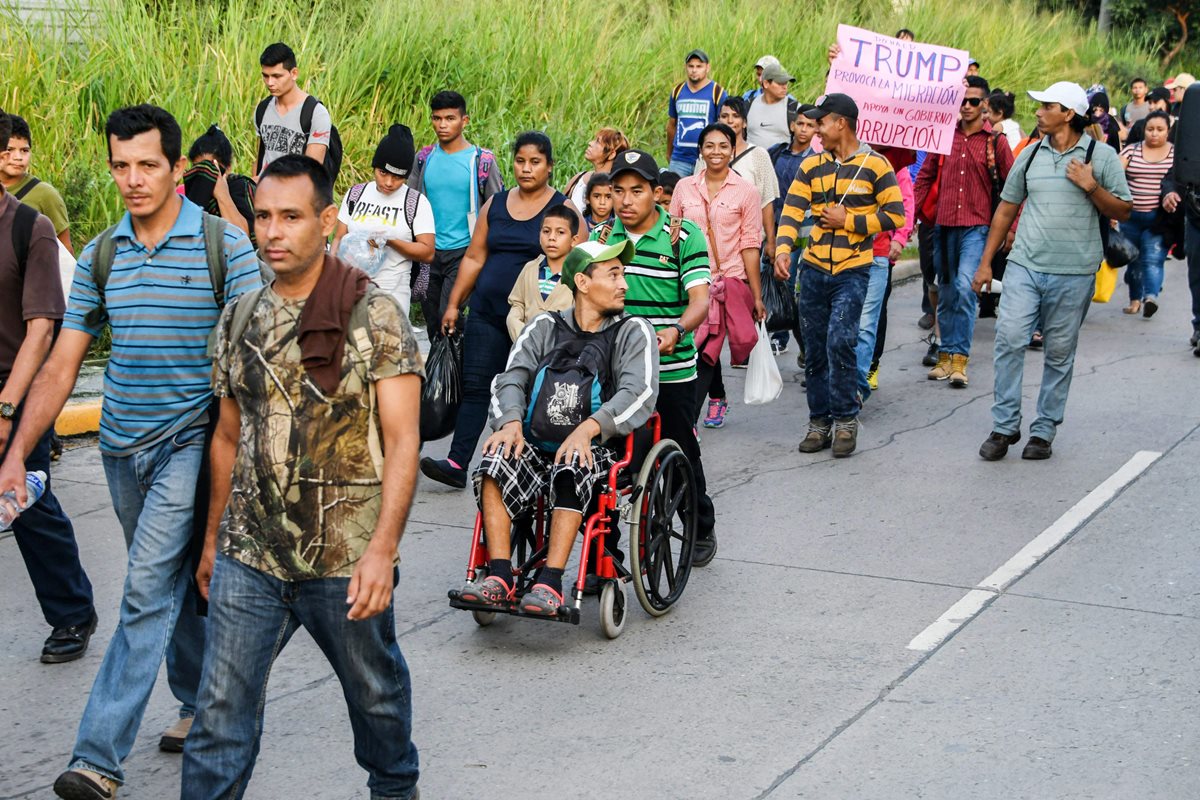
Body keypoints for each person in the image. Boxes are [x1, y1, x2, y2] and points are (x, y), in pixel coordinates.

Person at [0, 104, 261, 799]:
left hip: (189, 444)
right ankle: (201, 699)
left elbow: (252, 368)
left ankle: (97, 758)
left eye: (148, 165)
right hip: (120, 448)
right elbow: (61, 366)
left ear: (177, 169)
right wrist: (17, 451)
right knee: (168, 583)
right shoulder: (101, 255)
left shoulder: (223, 249)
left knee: (144, 591)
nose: (134, 179)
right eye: (121, 165)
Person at [183, 154, 423, 800]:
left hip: (345, 557)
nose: (272, 232)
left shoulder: (374, 318)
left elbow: (404, 441)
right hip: (249, 555)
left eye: (290, 217)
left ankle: (395, 787)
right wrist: (211, 541)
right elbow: (228, 437)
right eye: (262, 216)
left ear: (327, 221)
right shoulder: (239, 319)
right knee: (218, 717)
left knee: (375, 698)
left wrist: (382, 550)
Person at [459, 239, 659, 614]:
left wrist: (588, 430)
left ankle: (550, 582)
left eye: (623, 274)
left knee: (572, 463)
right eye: (613, 274)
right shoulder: (544, 326)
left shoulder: (633, 331)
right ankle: (499, 575)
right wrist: (510, 423)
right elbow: (510, 378)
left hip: (598, 449)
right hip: (535, 443)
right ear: (583, 282)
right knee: (494, 460)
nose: (624, 284)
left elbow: (639, 392)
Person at [973, 82, 1132, 461]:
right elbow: (1006, 209)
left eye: (1047, 106)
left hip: (1075, 271)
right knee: (1008, 339)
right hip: (1025, 266)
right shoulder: (1030, 156)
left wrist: (1090, 185)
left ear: (1069, 114)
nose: (1039, 112)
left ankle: (1043, 430)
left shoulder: (1102, 156)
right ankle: (1004, 426)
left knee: (1059, 353)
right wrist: (985, 262)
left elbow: (1123, 210)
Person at [421, 132, 581, 489]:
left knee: (530, 391)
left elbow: (580, 263)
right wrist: (453, 304)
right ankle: (457, 461)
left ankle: (525, 464)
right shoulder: (494, 204)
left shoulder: (563, 209)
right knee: (477, 387)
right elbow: (475, 257)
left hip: (537, 322)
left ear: (549, 167)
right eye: (521, 161)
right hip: (487, 312)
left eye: (535, 162)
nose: (526, 169)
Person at [0, 109, 97, 666]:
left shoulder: (26, 227)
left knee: (26, 502)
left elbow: (41, 329)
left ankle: (71, 613)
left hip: (19, 384)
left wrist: (9, 407)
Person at [592, 149, 718, 563]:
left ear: (656, 193)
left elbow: (699, 301)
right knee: (608, 461)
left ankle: (700, 526)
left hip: (672, 367)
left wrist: (677, 330)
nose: (626, 201)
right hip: (616, 371)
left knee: (680, 448)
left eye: (636, 191)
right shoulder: (601, 239)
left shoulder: (683, 237)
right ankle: (605, 552)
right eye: (618, 192)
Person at [774, 94, 904, 458]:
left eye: (821, 123)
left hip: (853, 271)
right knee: (814, 350)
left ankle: (846, 420)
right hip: (813, 269)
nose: (816, 130)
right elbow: (792, 211)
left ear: (841, 123)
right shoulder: (811, 166)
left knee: (840, 342)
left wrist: (849, 221)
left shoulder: (876, 165)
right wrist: (783, 249)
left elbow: (895, 215)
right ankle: (819, 422)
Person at [914, 75, 1014, 389]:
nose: (967, 106)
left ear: (986, 105)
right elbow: (925, 177)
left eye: (973, 101)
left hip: (977, 226)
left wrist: (1012, 228)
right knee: (944, 291)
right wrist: (914, 216)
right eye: (962, 101)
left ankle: (959, 359)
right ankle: (944, 357)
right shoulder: (943, 137)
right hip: (942, 225)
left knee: (964, 287)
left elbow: (1013, 187)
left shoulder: (995, 142)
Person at [670, 123, 765, 429]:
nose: (716, 152)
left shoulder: (747, 192)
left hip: (728, 281)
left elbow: (750, 244)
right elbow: (673, 235)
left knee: (708, 348)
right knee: (696, 343)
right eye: (709, 146)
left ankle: (687, 422)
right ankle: (718, 395)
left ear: (732, 149)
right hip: (691, 280)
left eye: (723, 145)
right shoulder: (684, 187)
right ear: (700, 150)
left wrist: (757, 295)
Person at [408, 91, 504, 340]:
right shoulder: (423, 159)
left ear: (465, 121)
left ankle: (451, 376)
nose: (442, 125)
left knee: (447, 317)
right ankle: (441, 376)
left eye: (450, 118)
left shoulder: (481, 161)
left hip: (464, 252)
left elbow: (497, 206)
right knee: (432, 323)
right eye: (437, 118)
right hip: (428, 253)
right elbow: (409, 200)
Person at [331, 124, 435, 315]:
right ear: (375, 167)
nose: (388, 182)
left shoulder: (416, 203)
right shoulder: (356, 194)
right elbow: (339, 237)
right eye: (383, 173)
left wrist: (390, 241)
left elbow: (427, 252)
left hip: (391, 295)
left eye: (397, 177)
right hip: (350, 291)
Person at [858, 148, 915, 400]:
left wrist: (899, 239)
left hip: (880, 252)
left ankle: (869, 366)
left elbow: (905, 205)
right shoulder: (845, 160)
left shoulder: (895, 166)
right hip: (844, 252)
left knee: (872, 316)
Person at [767, 108, 819, 356]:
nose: (804, 129)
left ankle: (802, 341)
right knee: (778, 281)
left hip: (802, 230)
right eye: (800, 124)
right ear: (792, 125)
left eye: (810, 125)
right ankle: (780, 331)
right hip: (775, 225)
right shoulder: (777, 153)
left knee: (794, 284)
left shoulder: (816, 160)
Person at [1119, 111, 1174, 318]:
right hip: (1130, 217)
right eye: (1150, 129)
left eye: (1160, 130)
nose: (1154, 134)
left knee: (1152, 259)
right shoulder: (1131, 151)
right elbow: (1115, 173)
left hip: (1158, 220)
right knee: (1133, 260)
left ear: (1168, 131)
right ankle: (1134, 300)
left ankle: (1150, 297)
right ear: (1143, 130)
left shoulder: (1176, 155)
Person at [719, 97, 781, 271]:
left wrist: (771, 240)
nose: (730, 120)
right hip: (715, 240)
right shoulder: (708, 156)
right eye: (725, 116)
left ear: (745, 123)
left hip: (749, 242)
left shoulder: (758, 155)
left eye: (735, 116)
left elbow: (767, 202)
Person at [253, 43, 332, 175]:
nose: (270, 83)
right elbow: (260, 158)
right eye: (266, 76)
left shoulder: (315, 113)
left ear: (294, 73)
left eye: (277, 76)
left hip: (296, 193)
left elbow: (313, 174)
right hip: (264, 191)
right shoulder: (262, 109)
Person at [2, 114, 72, 253]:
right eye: (10, 150)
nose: (18, 157)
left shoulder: (45, 195)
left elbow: (65, 253)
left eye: (24, 150)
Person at [506, 203, 577, 340]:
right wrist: (520, 331)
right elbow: (517, 303)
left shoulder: (578, 275)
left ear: (573, 240)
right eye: (546, 231)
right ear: (539, 236)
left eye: (560, 232)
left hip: (562, 351)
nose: (551, 237)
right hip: (526, 349)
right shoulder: (530, 268)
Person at [182, 124, 256, 239]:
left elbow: (243, 237)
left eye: (212, 167)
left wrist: (223, 195)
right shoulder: (191, 193)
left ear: (228, 168)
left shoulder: (241, 188)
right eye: (199, 168)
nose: (206, 174)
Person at [667, 49, 728, 177]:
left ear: (707, 67)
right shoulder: (677, 91)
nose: (694, 70)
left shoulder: (717, 92)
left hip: (706, 159)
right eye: (691, 66)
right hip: (680, 159)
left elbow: (724, 127)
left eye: (699, 66)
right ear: (686, 67)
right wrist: (669, 153)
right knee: (674, 194)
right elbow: (672, 124)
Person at [564, 127, 629, 211]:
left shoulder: (619, 188)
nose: (590, 143)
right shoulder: (579, 178)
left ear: (612, 154)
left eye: (597, 142)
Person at [746, 63, 801, 150]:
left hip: (780, 163)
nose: (785, 87)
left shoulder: (794, 108)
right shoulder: (748, 105)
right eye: (780, 83)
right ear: (766, 83)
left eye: (786, 83)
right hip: (751, 162)